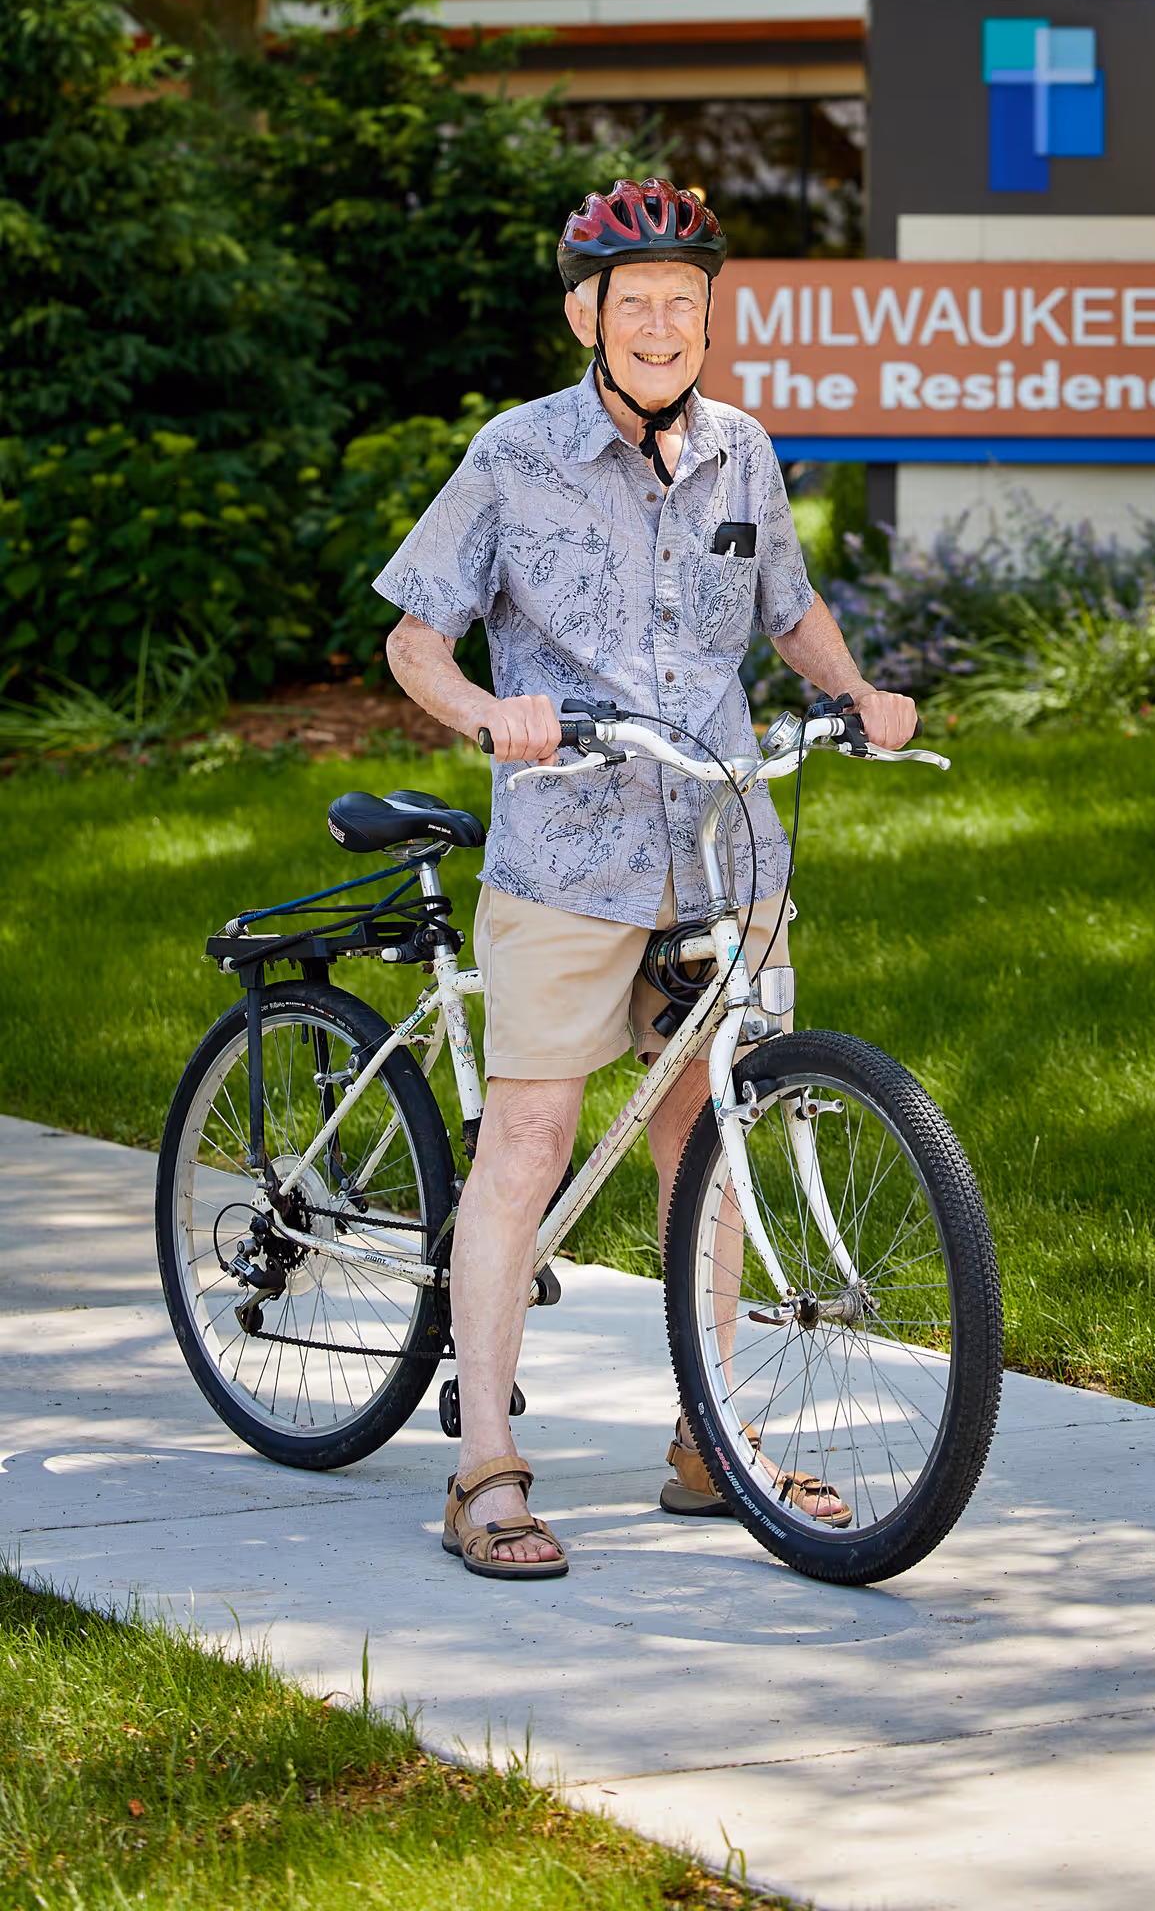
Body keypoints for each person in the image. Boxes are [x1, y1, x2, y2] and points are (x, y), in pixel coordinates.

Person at [376, 176, 917, 1581]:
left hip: (723, 851)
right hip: (568, 854)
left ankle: (709, 1436)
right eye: (640, 302)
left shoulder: (742, 449)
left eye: (689, 301)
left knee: (709, 1143)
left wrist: (859, 691)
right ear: (586, 316)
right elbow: (416, 638)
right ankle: (483, 1465)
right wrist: (487, 714)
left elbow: (786, 607)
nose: (667, 324)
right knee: (529, 1144)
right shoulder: (514, 455)